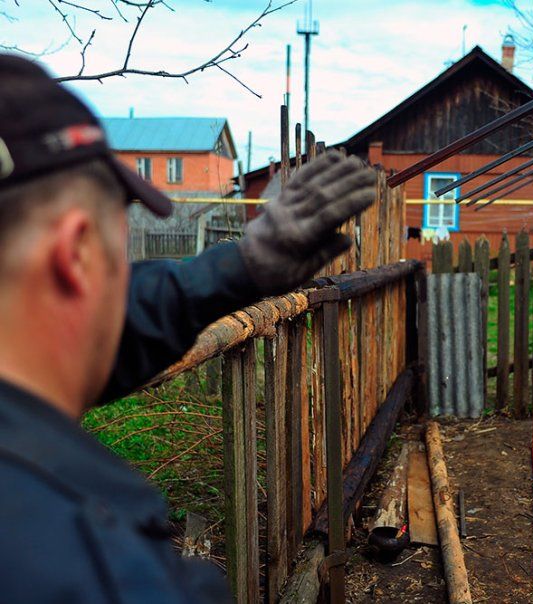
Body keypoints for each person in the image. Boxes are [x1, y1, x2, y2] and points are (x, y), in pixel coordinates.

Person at [0, 55, 375, 602]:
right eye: (118, 253)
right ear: (75, 253)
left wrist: (239, 268)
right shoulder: (97, 570)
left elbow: (87, 320)